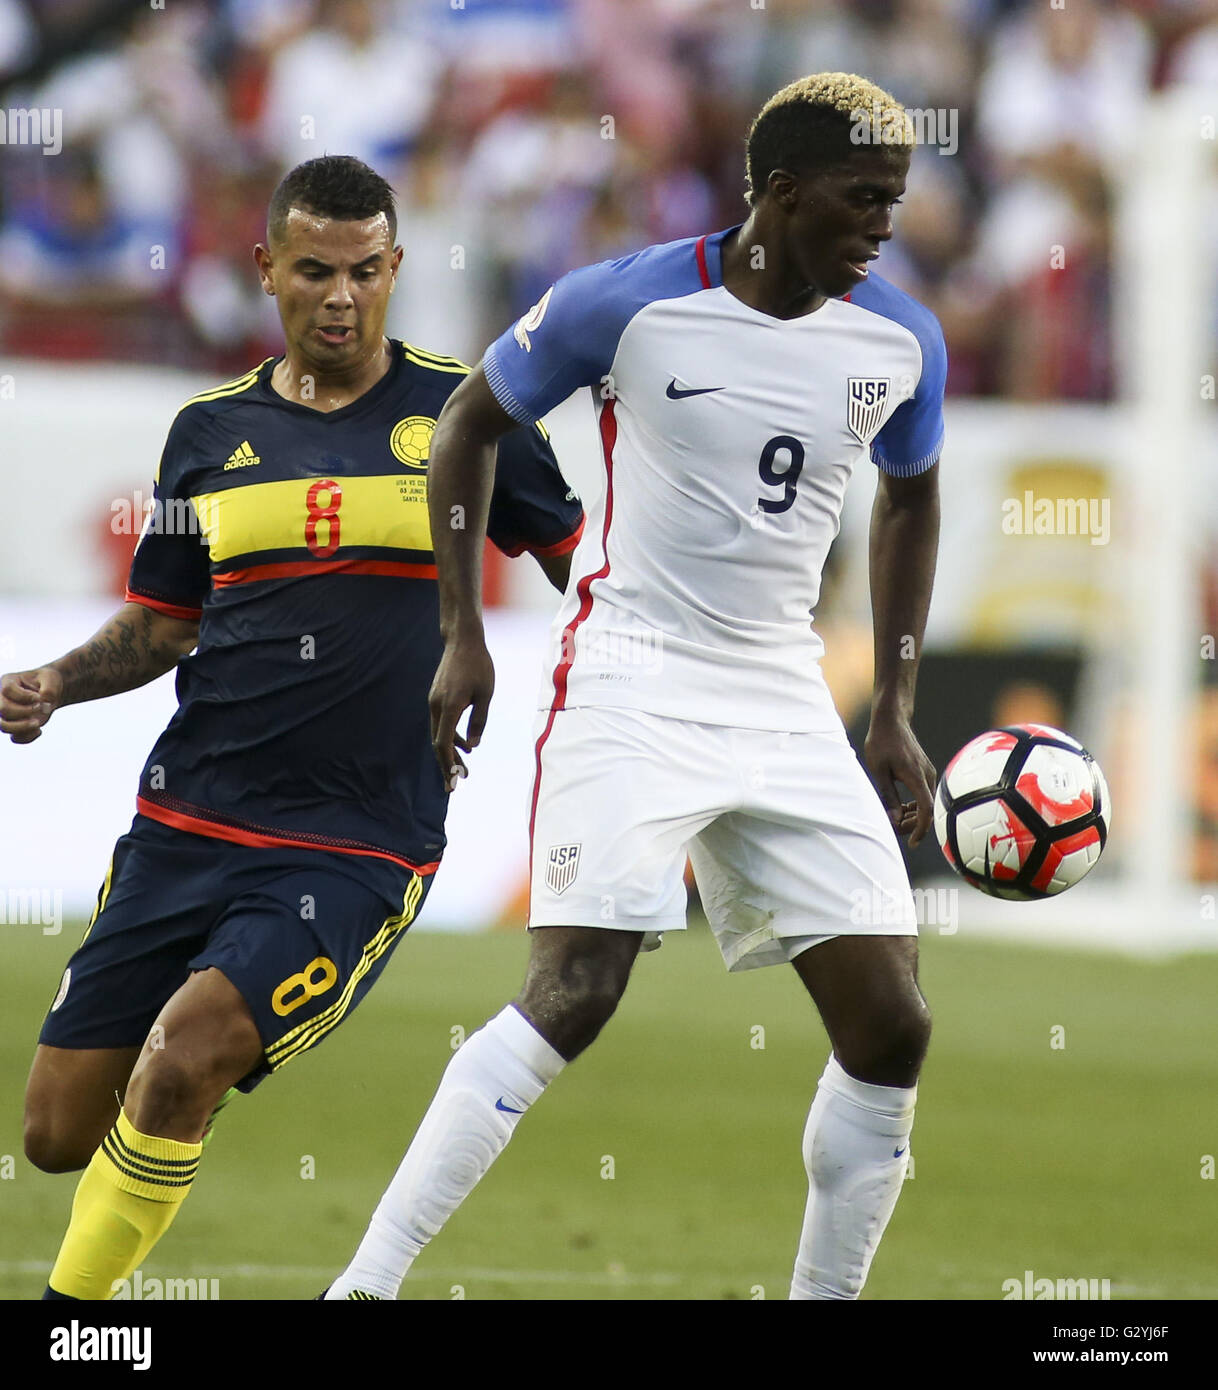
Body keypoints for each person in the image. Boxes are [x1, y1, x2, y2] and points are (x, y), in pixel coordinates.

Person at [325, 71, 943, 1302]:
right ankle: (367, 1284)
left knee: (894, 1027)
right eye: (864, 200)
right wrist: (463, 632)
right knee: (575, 989)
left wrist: (893, 708)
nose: (886, 227)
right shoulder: (631, 300)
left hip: (781, 686)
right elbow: (464, 426)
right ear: (780, 192)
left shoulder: (899, 338)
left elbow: (912, 496)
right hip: (633, 675)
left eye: (897, 202)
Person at [1, 154, 583, 1301]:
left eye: (366, 272)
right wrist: (56, 682)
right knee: (57, 1131)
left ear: (398, 268)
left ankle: (69, 1323)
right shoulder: (206, 433)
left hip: (356, 837)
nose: (341, 296)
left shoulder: (472, 418)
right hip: (188, 817)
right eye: (314, 270)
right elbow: (163, 625)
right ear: (266, 268)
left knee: (182, 1061)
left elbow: (600, 579)